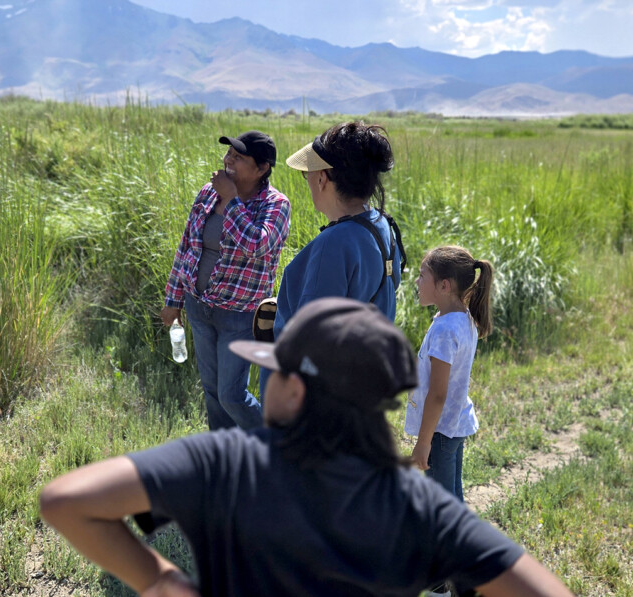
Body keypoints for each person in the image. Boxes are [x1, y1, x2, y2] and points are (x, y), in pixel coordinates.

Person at [40, 297, 573, 597]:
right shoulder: (415, 503)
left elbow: (65, 501)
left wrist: (158, 580)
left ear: (295, 391)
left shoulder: (227, 462)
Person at [260, 121, 405, 393]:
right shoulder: (381, 224)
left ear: (322, 178)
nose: (308, 181)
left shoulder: (332, 244)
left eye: (308, 174)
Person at [160, 131, 290, 430]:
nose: (228, 160)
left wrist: (231, 199)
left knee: (231, 395)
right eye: (229, 153)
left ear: (262, 168)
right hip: (199, 307)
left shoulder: (275, 205)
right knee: (212, 390)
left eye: (238, 157)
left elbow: (256, 245)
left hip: (239, 315)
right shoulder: (209, 193)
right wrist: (173, 300)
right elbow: (187, 246)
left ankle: (278, 445)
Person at [407, 246, 495, 501]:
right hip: (453, 425)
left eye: (422, 275)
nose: (417, 281)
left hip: (440, 431)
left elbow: (438, 394)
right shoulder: (462, 319)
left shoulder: (445, 330)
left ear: (444, 285)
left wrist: (424, 442)